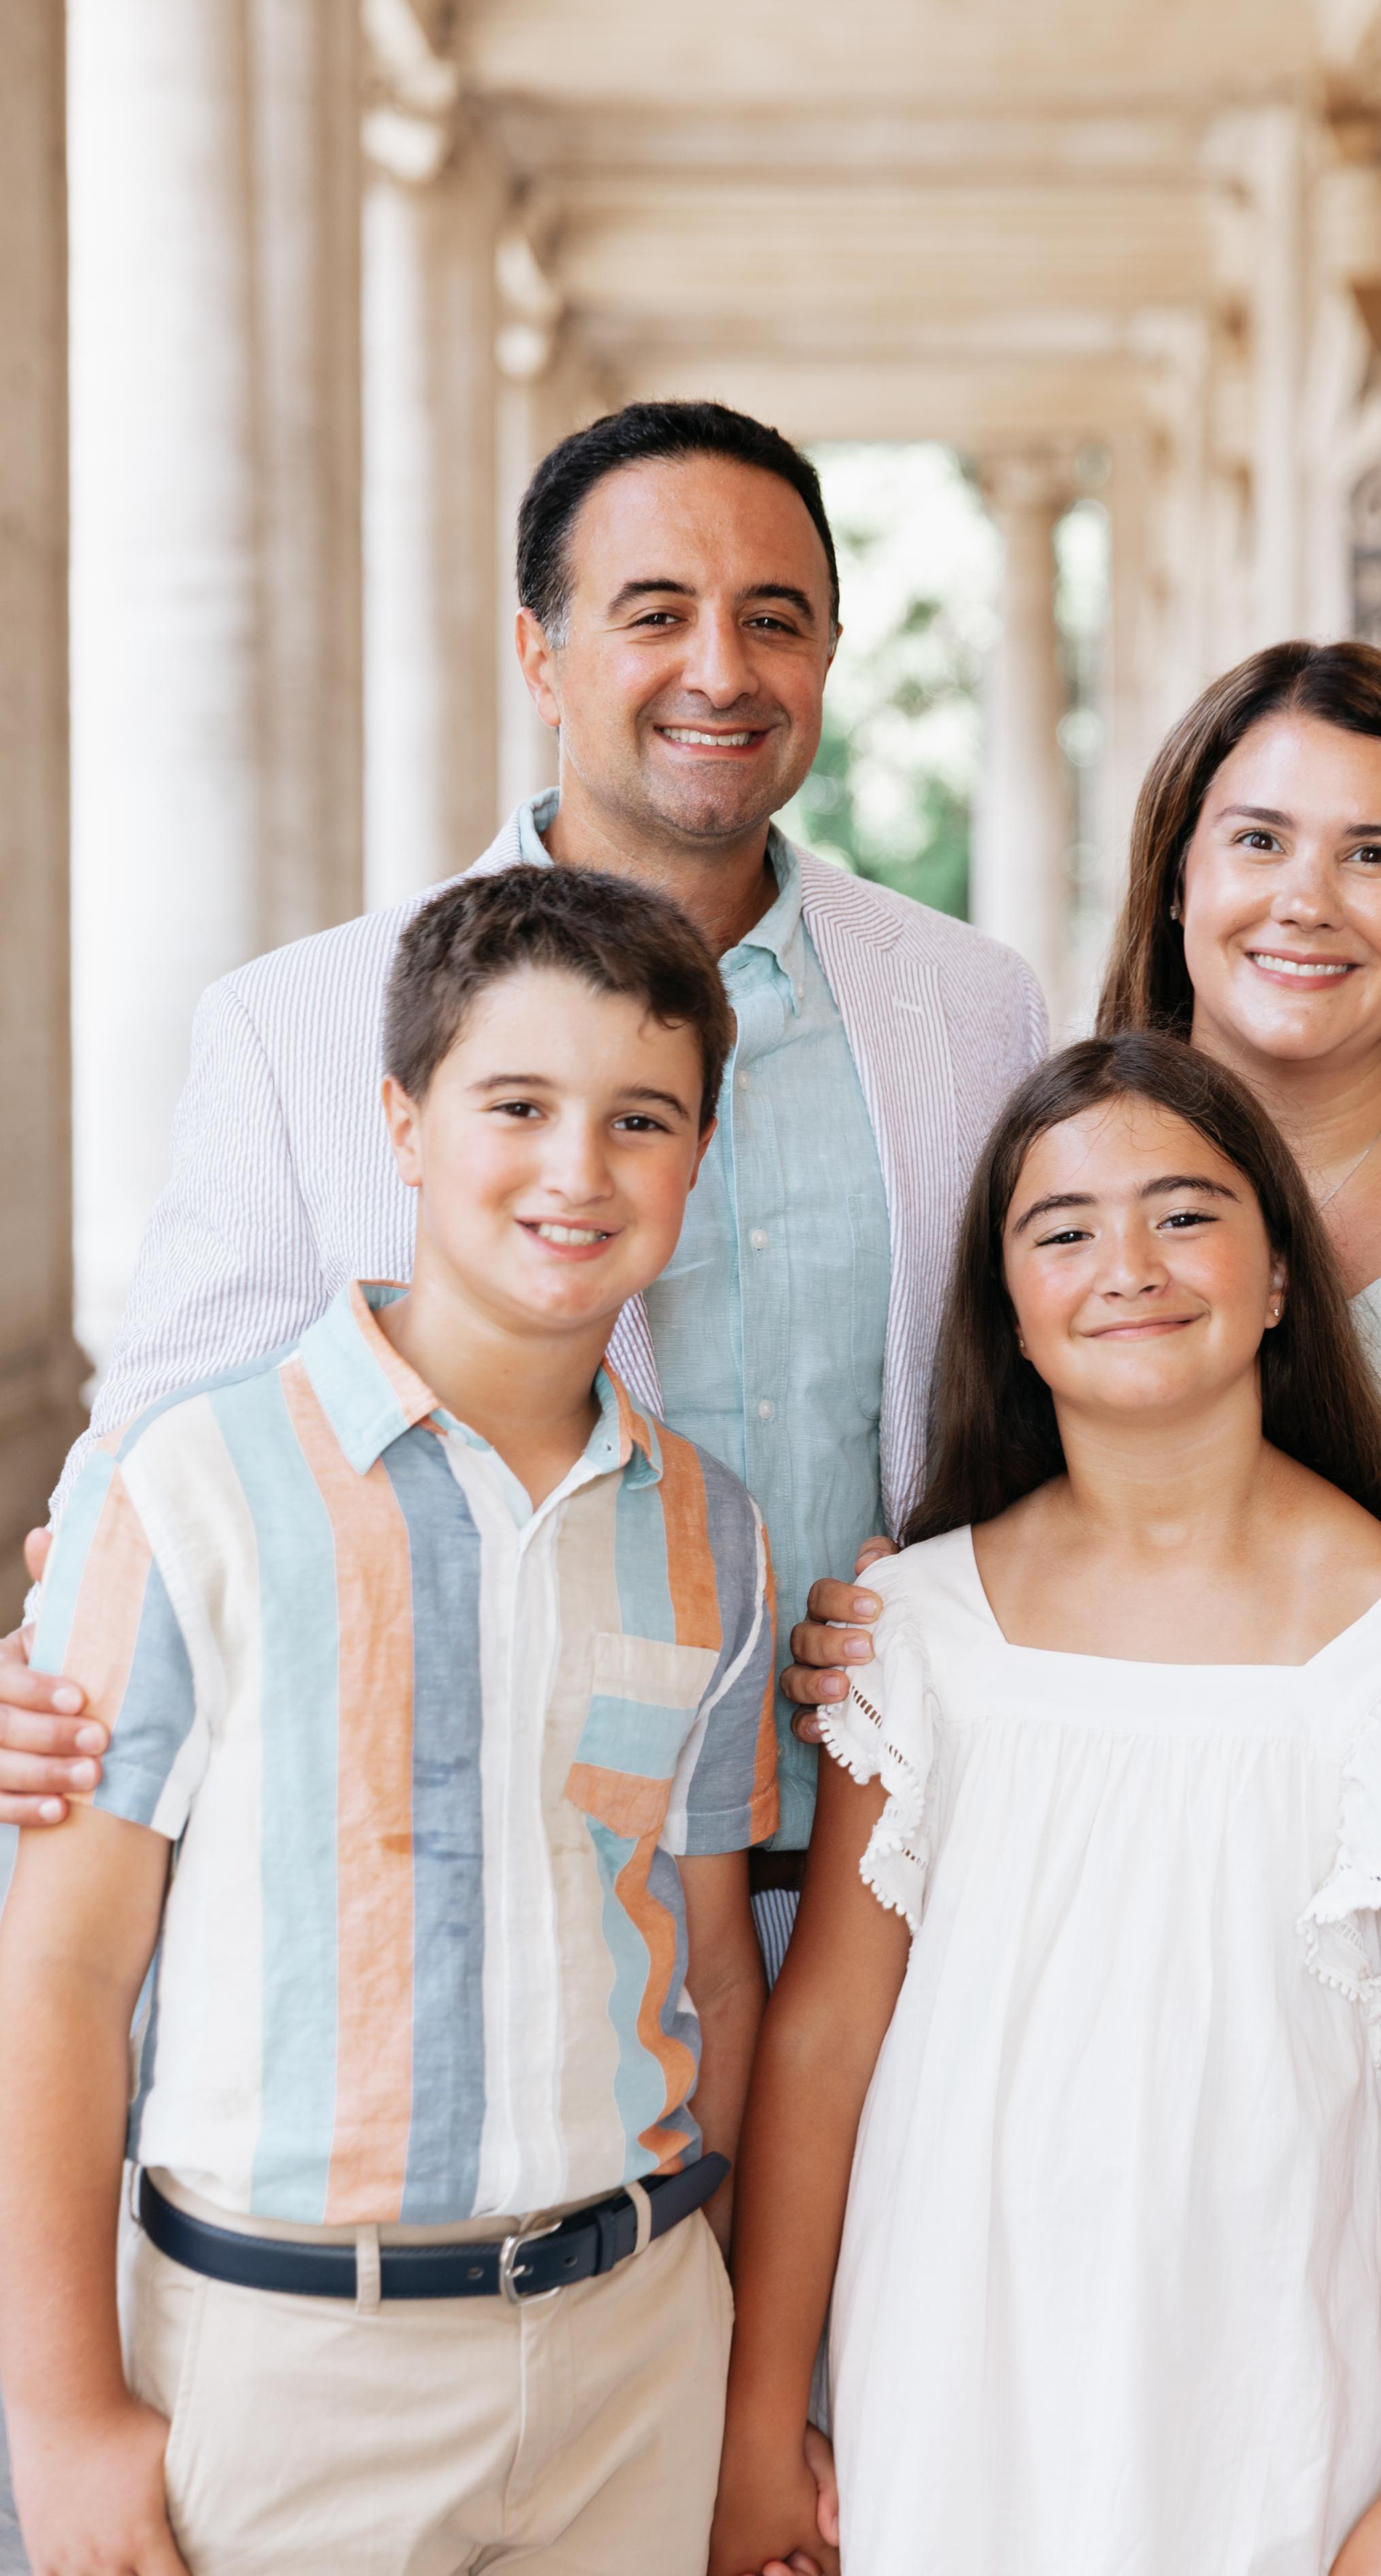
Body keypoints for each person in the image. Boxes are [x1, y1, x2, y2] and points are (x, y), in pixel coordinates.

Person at [0, 400, 1046, 1976]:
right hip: (498, 1892)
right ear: (539, 655)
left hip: (899, 1875)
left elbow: (1028, 1399)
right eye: (654, 614)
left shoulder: (973, 1007)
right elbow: (166, 1430)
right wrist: (52, 1677)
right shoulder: (303, 1022)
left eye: (775, 619)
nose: (720, 669)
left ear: (827, 653)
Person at [0, 864, 776, 2576]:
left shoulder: (710, 1531)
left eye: (640, 1119)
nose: (579, 1170)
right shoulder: (188, 1487)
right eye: (517, 1104)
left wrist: (720, 2337)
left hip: (632, 2356)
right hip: (287, 2374)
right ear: (401, 1126)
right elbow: (57, 1972)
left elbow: (712, 1959)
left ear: (696, 1162)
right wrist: (57, 2413)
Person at [710, 1035, 1381, 2576]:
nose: (1128, 1265)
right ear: (1007, 1311)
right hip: (950, 2377)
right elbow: (821, 2043)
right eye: (1062, 1229)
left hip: (1266, 2401)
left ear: (1279, 1276)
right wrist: (760, 2422)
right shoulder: (913, 1636)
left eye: (1185, 1212)